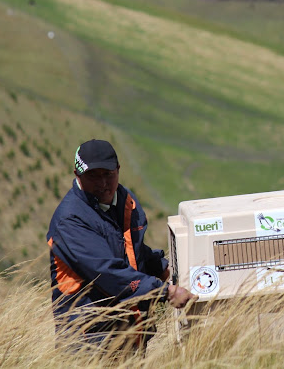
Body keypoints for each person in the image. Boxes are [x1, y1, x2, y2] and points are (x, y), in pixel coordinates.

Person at [47, 139, 195, 351]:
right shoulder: (70, 220)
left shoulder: (124, 201)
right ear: (77, 175)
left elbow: (132, 249)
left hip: (128, 335)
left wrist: (163, 268)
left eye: (108, 174)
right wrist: (165, 292)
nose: (103, 183)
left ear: (118, 170)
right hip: (88, 342)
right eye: (93, 176)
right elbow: (107, 271)